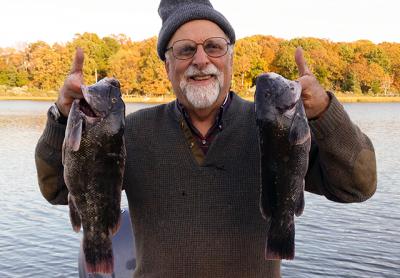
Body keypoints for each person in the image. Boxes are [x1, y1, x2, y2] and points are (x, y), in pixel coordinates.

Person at [35, 0, 377, 277]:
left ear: (230, 58)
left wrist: (323, 112)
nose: (201, 60)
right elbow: (57, 189)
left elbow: (357, 185)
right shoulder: (129, 131)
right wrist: (63, 116)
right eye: (184, 50)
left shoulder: (280, 130)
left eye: (214, 47)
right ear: (167, 65)